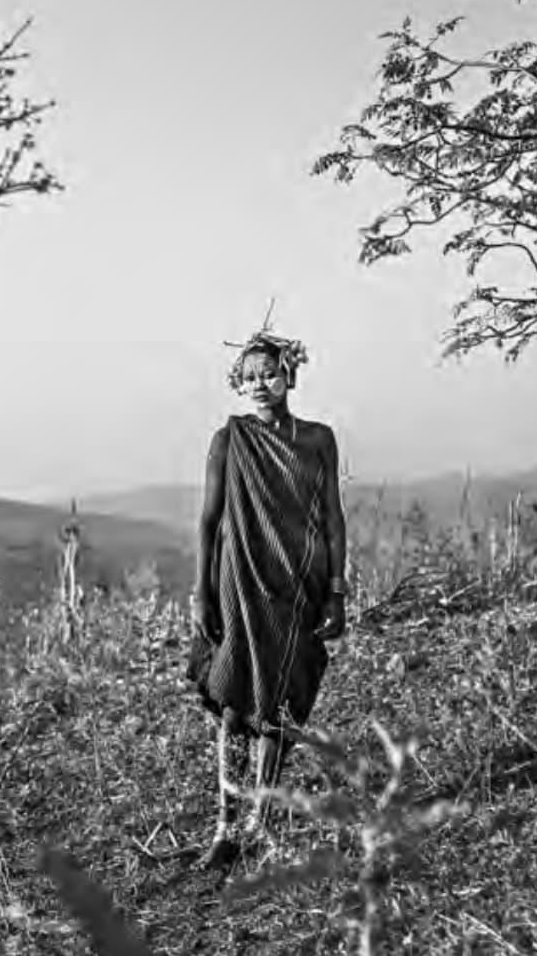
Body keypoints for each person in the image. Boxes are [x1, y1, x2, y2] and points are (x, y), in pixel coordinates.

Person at [186, 329, 349, 868]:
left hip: (299, 586)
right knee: (235, 705)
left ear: (290, 376)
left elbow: (332, 517)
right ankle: (225, 827)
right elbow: (209, 522)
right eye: (249, 377)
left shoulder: (319, 439)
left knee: (282, 701)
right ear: (238, 384)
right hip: (240, 584)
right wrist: (202, 593)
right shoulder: (228, 441)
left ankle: (261, 823)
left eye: (270, 374)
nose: (259, 384)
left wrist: (336, 591)